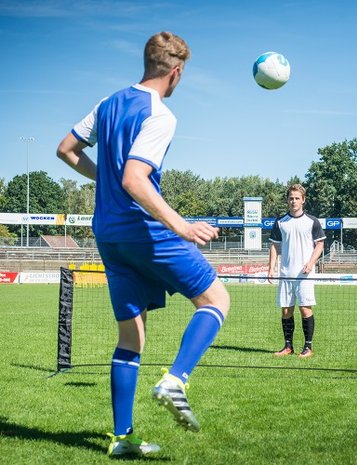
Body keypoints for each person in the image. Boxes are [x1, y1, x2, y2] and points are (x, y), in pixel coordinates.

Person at [57, 31, 230, 458]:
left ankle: (122, 439)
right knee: (216, 298)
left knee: (131, 337)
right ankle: (176, 381)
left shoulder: (108, 102)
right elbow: (135, 179)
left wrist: (107, 184)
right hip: (141, 229)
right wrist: (182, 226)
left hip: (109, 234)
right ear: (176, 72)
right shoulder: (160, 114)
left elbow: (65, 150)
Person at [267, 184, 325, 359]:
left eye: (297, 198)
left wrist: (311, 262)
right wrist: (271, 267)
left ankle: (308, 347)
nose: (294, 201)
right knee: (286, 311)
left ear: (303, 200)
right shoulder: (280, 222)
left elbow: (320, 244)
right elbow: (274, 246)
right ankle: (288, 346)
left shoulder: (312, 221)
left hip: (304, 274)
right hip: (286, 273)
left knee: (305, 309)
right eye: (291, 198)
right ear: (288, 200)